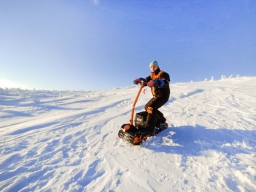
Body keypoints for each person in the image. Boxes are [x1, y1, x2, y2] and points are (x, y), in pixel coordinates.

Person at [133, 60, 170, 135]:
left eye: (154, 66)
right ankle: (162, 120)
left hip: (163, 95)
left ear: (157, 66)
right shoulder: (151, 75)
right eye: (151, 67)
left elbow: (165, 81)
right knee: (147, 107)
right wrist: (140, 80)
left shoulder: (163, 74)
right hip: (156, 96)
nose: (153, 68)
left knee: (151, 107)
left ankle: (149, 129)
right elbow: (146, 81)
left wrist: (157, 82)